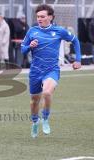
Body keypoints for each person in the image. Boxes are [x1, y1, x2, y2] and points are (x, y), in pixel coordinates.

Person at [21, 4, 82, 138]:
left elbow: (75, 41)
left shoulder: (59, 31)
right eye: (38, 16)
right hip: (35, 71)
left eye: (42, 16)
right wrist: (29, 46)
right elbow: (22, 50)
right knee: (34, 101)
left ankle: (46, 119)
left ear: (50, 17)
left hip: (52, 70)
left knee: (47, 93)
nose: (39, 19)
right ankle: (35, 122)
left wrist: (78, 59)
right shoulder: (32, 31)